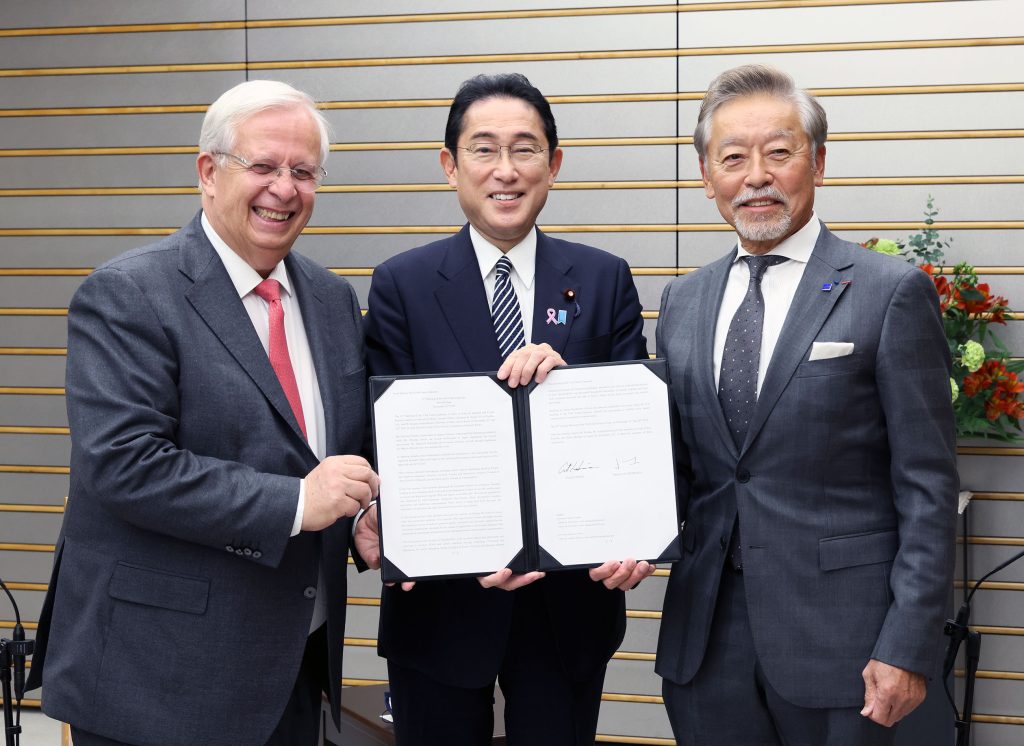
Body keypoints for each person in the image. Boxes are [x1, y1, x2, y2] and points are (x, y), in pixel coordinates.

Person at [26, 80, 380, 745]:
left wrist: (365, 510)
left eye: (303, 172)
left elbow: (333, 449)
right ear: (209, 173)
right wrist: (299, 503)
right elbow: (125, 465)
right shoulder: (128, 293)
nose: (286, 188)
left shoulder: (332, 301)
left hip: (296, 671)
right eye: (265, 166)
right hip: (159, 682)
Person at [655, 64, 958, 745]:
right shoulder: (681, 303)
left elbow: (928, 487)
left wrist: (907, 644)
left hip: (844, 647)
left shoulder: (889, 292)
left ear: (817, 162)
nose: (755, 176)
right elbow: (676, 469)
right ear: (707, 177)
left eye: (779, 152)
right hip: (705, 646)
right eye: (732, 158)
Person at [357, 72, 655, 745]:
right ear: (450, 166)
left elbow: (631, 431)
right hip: (440, 603)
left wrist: (569, 383)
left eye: (525, 150)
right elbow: (379, 437)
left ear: (553, 165)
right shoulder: (402, 284)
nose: (505, 171)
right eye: (483, 150)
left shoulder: (604, 278)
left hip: (569, 606)